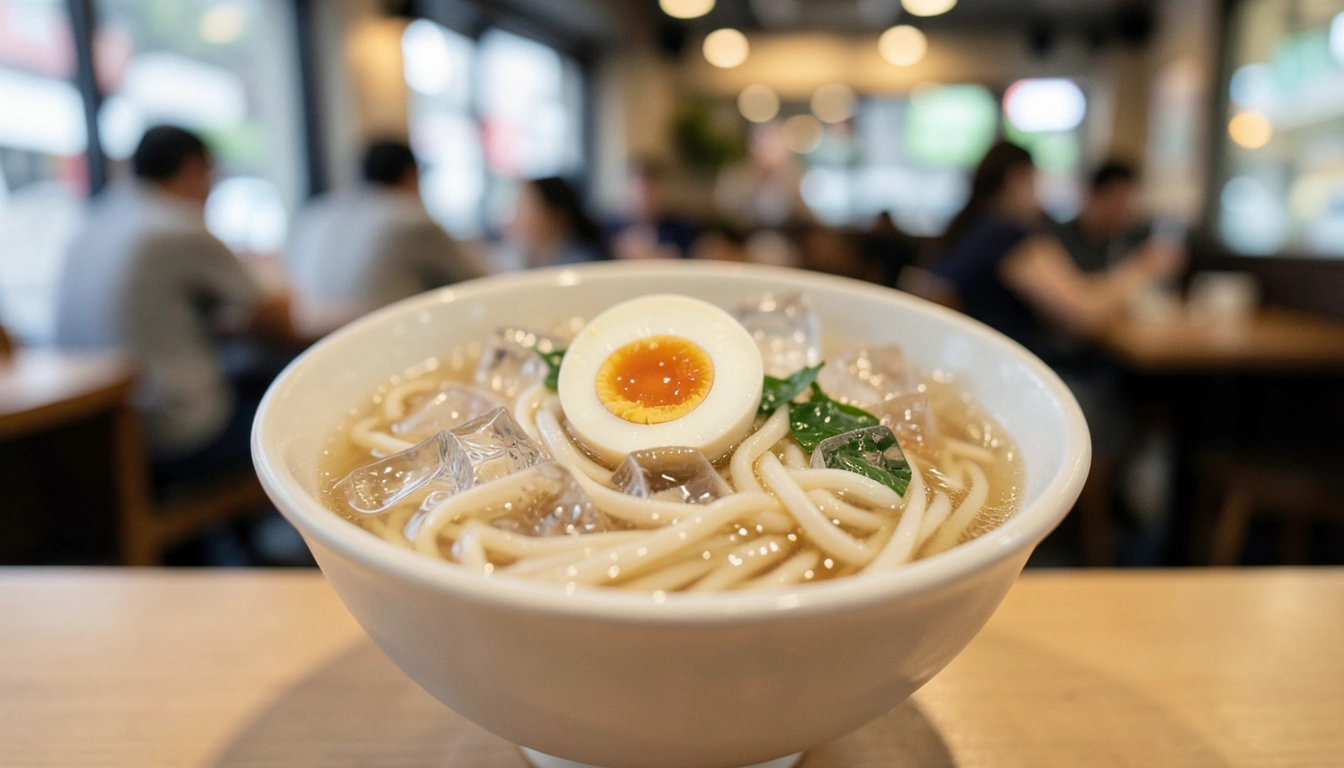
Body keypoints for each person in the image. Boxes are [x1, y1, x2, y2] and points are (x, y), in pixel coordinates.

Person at [927, 142, 1184, 565]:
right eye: (1036, 182)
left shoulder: (967, 228)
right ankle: (1116, 542)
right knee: (1126, 409)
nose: (1041, 194)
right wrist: (1146, 267)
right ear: (1016, 181)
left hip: (971, 384)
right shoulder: (1007, 234)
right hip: (1011, 392)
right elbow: (1083, 312)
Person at [55, 126, 293, 484]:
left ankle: (231, 534)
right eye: (212, 175)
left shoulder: (95, 222)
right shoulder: (176, 226)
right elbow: (276, 315)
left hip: (95, 436)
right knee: (289, 413)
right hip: (172, 434)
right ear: (193, 167)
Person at [284, 140, 483, 336]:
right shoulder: (412, 221)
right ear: (411, 174)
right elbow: (478, 284)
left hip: (302, 348)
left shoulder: (315, 215)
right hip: (386, 343)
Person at [1050, 161, 1155, 274]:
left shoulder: (1123, 243)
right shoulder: (1055, 241)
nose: (1127, 212)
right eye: (1120, 203)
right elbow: (1079, 290)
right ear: (1094, 195)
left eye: (1130, 204)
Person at [606, 158, 698, 260]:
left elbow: (692, 256)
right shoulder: (609, 228)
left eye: (651, 189)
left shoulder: (681, 228)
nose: (644, 196)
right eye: (639, 190)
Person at [505, 177, 606, 268]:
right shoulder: (536, 261)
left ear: (556, 216)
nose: (516, 219)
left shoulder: (581, 266)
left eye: (524, 209)